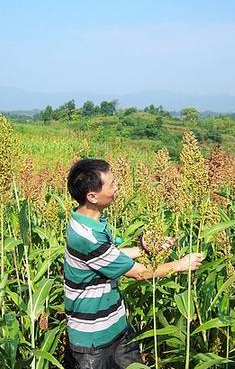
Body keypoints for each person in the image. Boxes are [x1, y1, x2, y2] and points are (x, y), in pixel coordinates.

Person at [63, 158, 204, 369]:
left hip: (116, 326)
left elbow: (109, 256)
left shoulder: (89, 222)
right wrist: (182, 264)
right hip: (92, 340)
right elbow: (140, 274)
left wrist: (148, 249)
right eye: (112, 184)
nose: (117, 187)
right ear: (92, 196)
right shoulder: (86, 237)